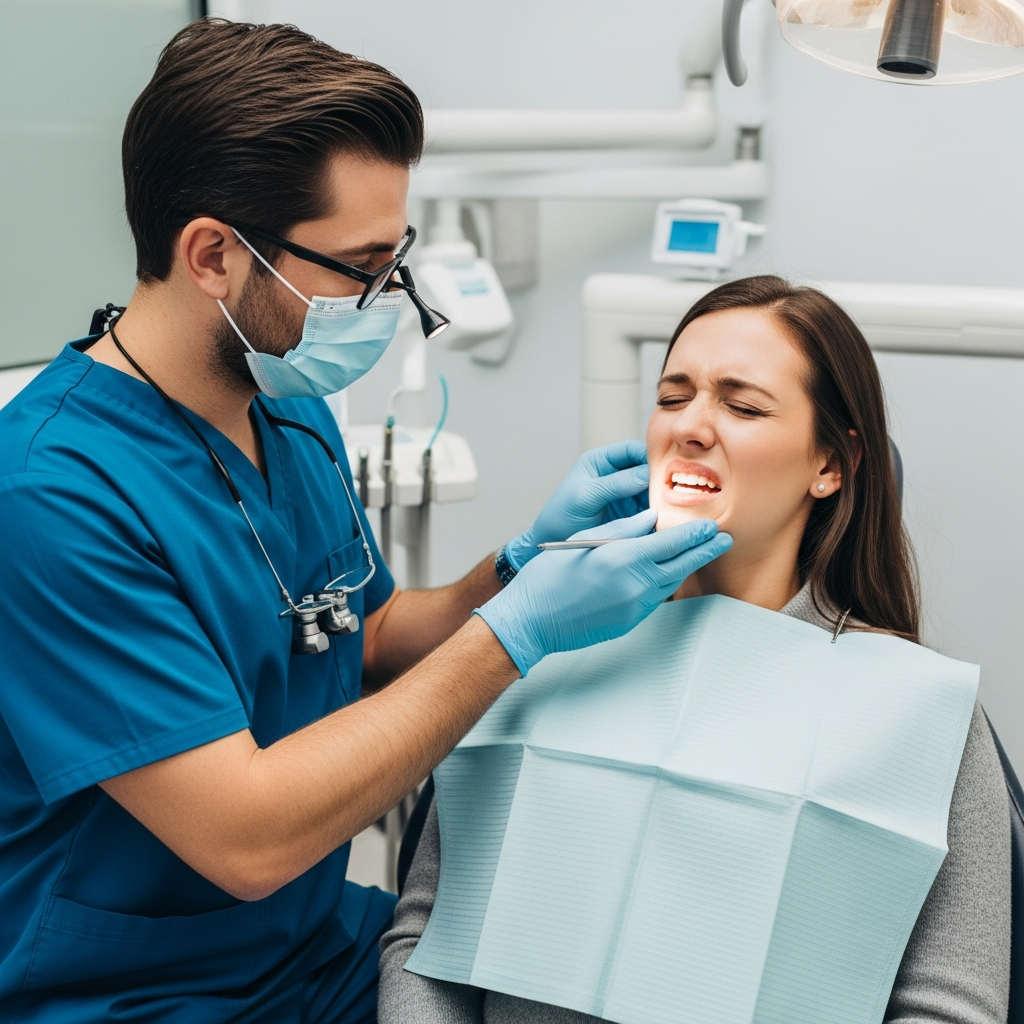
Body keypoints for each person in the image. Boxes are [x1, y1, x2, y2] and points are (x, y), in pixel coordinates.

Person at [0, 19, 733, 1023]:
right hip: (140, 990)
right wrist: (515, 637)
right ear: (212, 254)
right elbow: (247, 837)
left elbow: (371, 633)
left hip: (310, 947)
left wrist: (516, 566)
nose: (385, 301)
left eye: (396, 260)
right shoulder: (52, 497)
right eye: (358, 267)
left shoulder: (287, 405)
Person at [379, 276, 1012, 1023]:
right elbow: (423, 944)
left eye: (742, 406)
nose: (691, 426)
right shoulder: (539, 653)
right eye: (673, 397)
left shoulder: (916, 715)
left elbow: (948, 1006)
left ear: (831, 465)